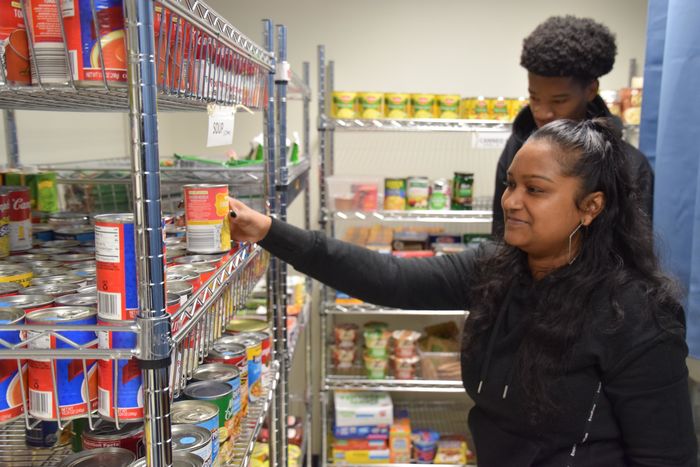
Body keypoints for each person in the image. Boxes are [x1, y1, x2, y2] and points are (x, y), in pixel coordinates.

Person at [228, 118, 696, 466]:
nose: (511, 200)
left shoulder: (636, 316)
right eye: (511, 184)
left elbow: (666, 456)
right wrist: (269, 230)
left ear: (591, 206)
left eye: (535, 189)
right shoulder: (497, 269)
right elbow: (389, 278)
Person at [492, 15, 654, 236]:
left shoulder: (629, 165)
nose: (542, 113)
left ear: (590, 90)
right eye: (534, 98)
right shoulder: (518, 149)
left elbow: (633, 254)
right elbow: (500, 237)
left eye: (559, 101)